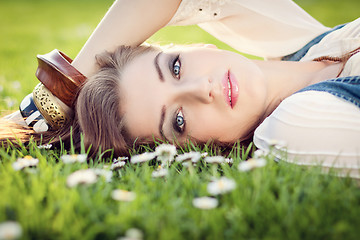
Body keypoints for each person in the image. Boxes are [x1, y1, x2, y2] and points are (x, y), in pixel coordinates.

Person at [2, 0, 360, 178]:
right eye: (177, 120)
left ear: (197, 48)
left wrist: (59, 91)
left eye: (175, 67)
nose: (200, 89)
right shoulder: (299, 125)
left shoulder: (303, 43)